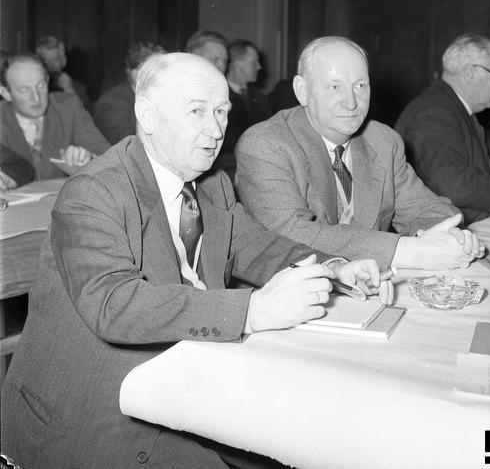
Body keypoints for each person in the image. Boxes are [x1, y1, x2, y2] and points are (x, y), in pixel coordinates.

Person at [0, 52, 389, 469]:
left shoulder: (212, 184)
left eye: (221, 112)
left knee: (320, 435)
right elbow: (114, 305)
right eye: (197, 111)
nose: (216, 130)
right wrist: (253, 311)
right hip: (95, 410)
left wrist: (333, 267)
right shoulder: (94, 191)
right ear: (147, 116)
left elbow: (257, 245)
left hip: (184, 380)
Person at [235, 35, 483, 270]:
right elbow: (291, 234)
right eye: (335, 87)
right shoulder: (265, 144)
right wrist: (407, 251)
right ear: (302, 90)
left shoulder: (382, 141)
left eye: (360, 85)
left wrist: (450, 234)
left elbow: (423, 208)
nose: (351, 102)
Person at [395, 33, 490, 224]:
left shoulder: (449, 107)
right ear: (470, 73)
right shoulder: (433, 113)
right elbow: (454, 185)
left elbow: (456, 170)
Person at [0, 53, 110, 181]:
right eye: (24, 90)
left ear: (47, 80)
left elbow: (109, 159)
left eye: (41, 85)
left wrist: (88, 159)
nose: (36, 98)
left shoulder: (68, 108)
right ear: (5, 93)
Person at [216, 39, 272, 176]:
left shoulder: (260, 98)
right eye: (254, 62)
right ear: (236, 64)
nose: (259, 67)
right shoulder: (219, 97)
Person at [94, 41, 166, 143]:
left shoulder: (167, 98)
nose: (166, 75)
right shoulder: (111, 103)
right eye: (158, 70)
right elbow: (130, 145)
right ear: (136, 74)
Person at [35, 35, 92, 111]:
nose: (50, 65)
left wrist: (69, 89)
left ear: (64, 59)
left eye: (56, 59)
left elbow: (87, 114)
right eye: (45, 61)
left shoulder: (77, 86)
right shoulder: (35, 86)